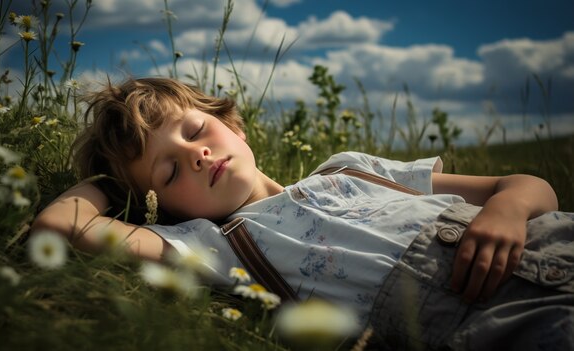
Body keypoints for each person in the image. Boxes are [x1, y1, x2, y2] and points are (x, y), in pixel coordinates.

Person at [31, 77, 574, 350]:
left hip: (550, 240)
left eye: (195, 131)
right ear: (161, 208)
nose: (195, 155)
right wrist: (109, 184)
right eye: (168, 172)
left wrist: (507, 209)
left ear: (234, 126)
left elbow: (525, 184)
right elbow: (63, 226)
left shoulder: (350, 167)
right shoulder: (216, 245)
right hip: (496, 325)